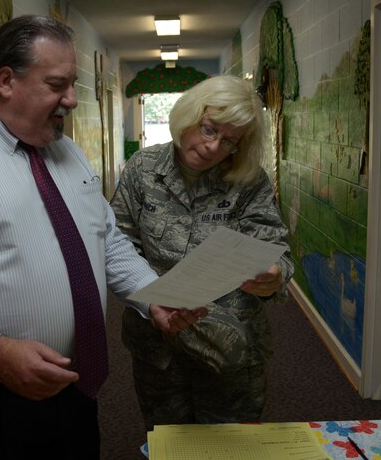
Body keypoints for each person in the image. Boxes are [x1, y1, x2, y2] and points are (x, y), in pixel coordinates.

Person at [0, 14, 206, 459]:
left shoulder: (68, 154)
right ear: (6, 81)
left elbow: (105, 240)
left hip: (75, 387)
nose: (71, 100)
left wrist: (153, 295)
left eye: (73, 85)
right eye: (57, 85)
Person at [110, 74, 294, 430]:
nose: (213, 147)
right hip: (158, 342)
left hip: (231, 346)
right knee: (167, 438)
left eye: (229, 142)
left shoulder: (248, 180)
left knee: (232, 444)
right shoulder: (142, 171)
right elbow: (118, 245)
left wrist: (273, 276)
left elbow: (276, 252)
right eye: (209, 130)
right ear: (189, 116)